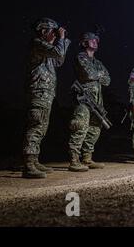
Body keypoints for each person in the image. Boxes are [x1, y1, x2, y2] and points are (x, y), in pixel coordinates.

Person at [23, 18, 70, 178]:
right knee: (36, 126)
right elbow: (58, 52)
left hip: (46, 93)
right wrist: (62, 39)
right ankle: (28, 164)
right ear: (44, 31)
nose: (55, 35)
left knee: (42, 127)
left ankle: (34, 161)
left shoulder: (47, 49)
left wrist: (61, 40)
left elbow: (59, 60)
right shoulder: (37, 43)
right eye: (53, 32)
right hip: (38, 92)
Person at [68, 32, 110, 172]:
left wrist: (97, 75)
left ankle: (87, 158)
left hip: (97, 101)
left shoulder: (98, 63)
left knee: (95, 128)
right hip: (83, 98)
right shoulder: (81, 57)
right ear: (84, 42)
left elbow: (108, 80)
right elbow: (88, 74)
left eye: (96, 40)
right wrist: (99, 75)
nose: (95, 41)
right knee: (80, 126)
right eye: (91, 40)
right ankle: (74, 160)